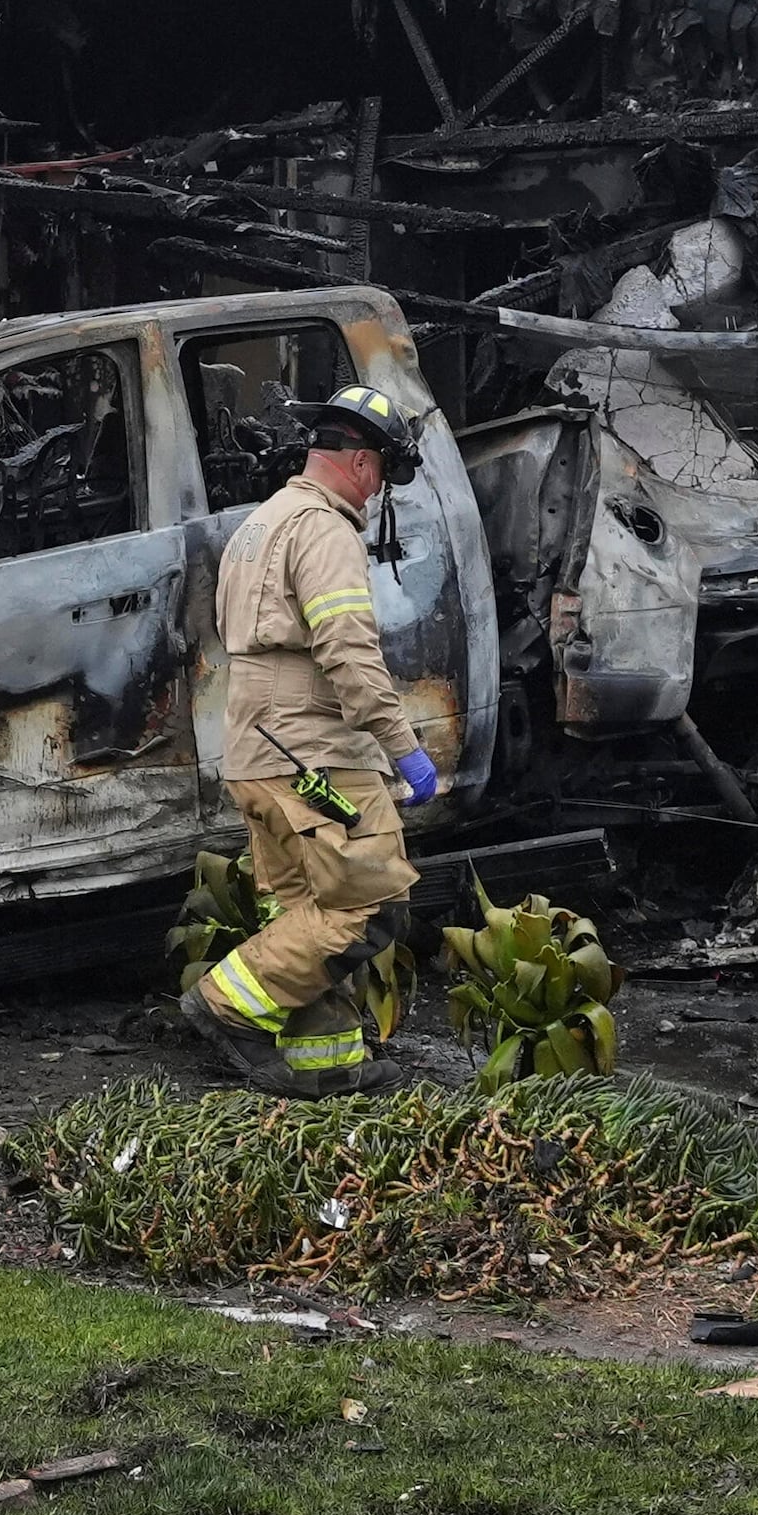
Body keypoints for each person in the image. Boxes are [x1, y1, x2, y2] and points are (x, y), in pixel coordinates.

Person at [182, 381, 444, 1097]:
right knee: (370, 903)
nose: (379, 488)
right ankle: (223, 1004)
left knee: (306, 912)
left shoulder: (261, 523)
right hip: (313, 755)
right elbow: (350, 654)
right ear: (362, 463)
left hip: (257, 750)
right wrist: (404, 747)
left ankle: (324, 1060)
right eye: (384, 471)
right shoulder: (325, 530)